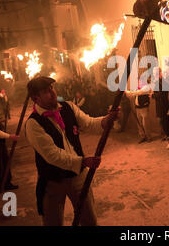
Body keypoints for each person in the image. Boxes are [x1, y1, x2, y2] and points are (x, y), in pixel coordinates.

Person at [24, 76, 119, 226]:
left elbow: (88, 123)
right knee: (52, 223)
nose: (52, 93)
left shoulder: (68, 107)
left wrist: (106, 120)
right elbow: (53, 155)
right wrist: (82, 161)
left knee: (89, 221)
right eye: (46, 91)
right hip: (53, 181)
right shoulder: (33, 124)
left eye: (52, 88)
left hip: (78, 177)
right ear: (36, 98)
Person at [151, 67, 169, 142]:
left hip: (163, 104)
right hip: (160, 104)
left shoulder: (161, 81)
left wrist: (153, 95)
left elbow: (162, 93)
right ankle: (167, 134)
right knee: (162, 120)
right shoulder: (159, 81)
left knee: (164, 120)